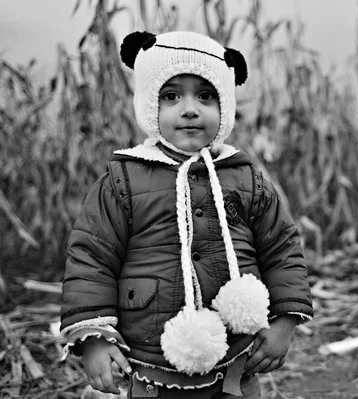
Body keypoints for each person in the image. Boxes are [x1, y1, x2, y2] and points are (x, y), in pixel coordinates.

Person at [60, 30, 313, 399]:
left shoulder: (246, 177)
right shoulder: (122, 181)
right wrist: (94, 338)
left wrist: (286, 322)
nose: (190, 108)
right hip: (151, 357)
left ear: (224, 105)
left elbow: (282, 249)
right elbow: (91, 259)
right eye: (172, 95)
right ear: (150, 104)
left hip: (237, 358)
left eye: (206, 95)